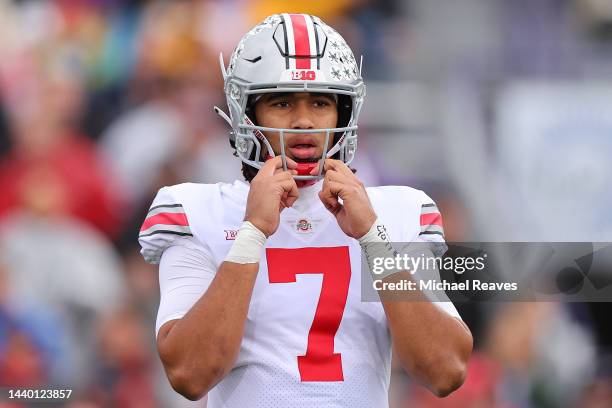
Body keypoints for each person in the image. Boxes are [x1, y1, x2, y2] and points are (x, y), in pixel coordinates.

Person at [139, 13, 472, 407]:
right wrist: (252, 232)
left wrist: (374, 241)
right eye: (281, 102)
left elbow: (445, 370)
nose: (302, 120)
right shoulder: (195, 210)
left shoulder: (397, 211)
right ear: (246, 112)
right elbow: (190, 374)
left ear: (344, 112)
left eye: (320, 101)